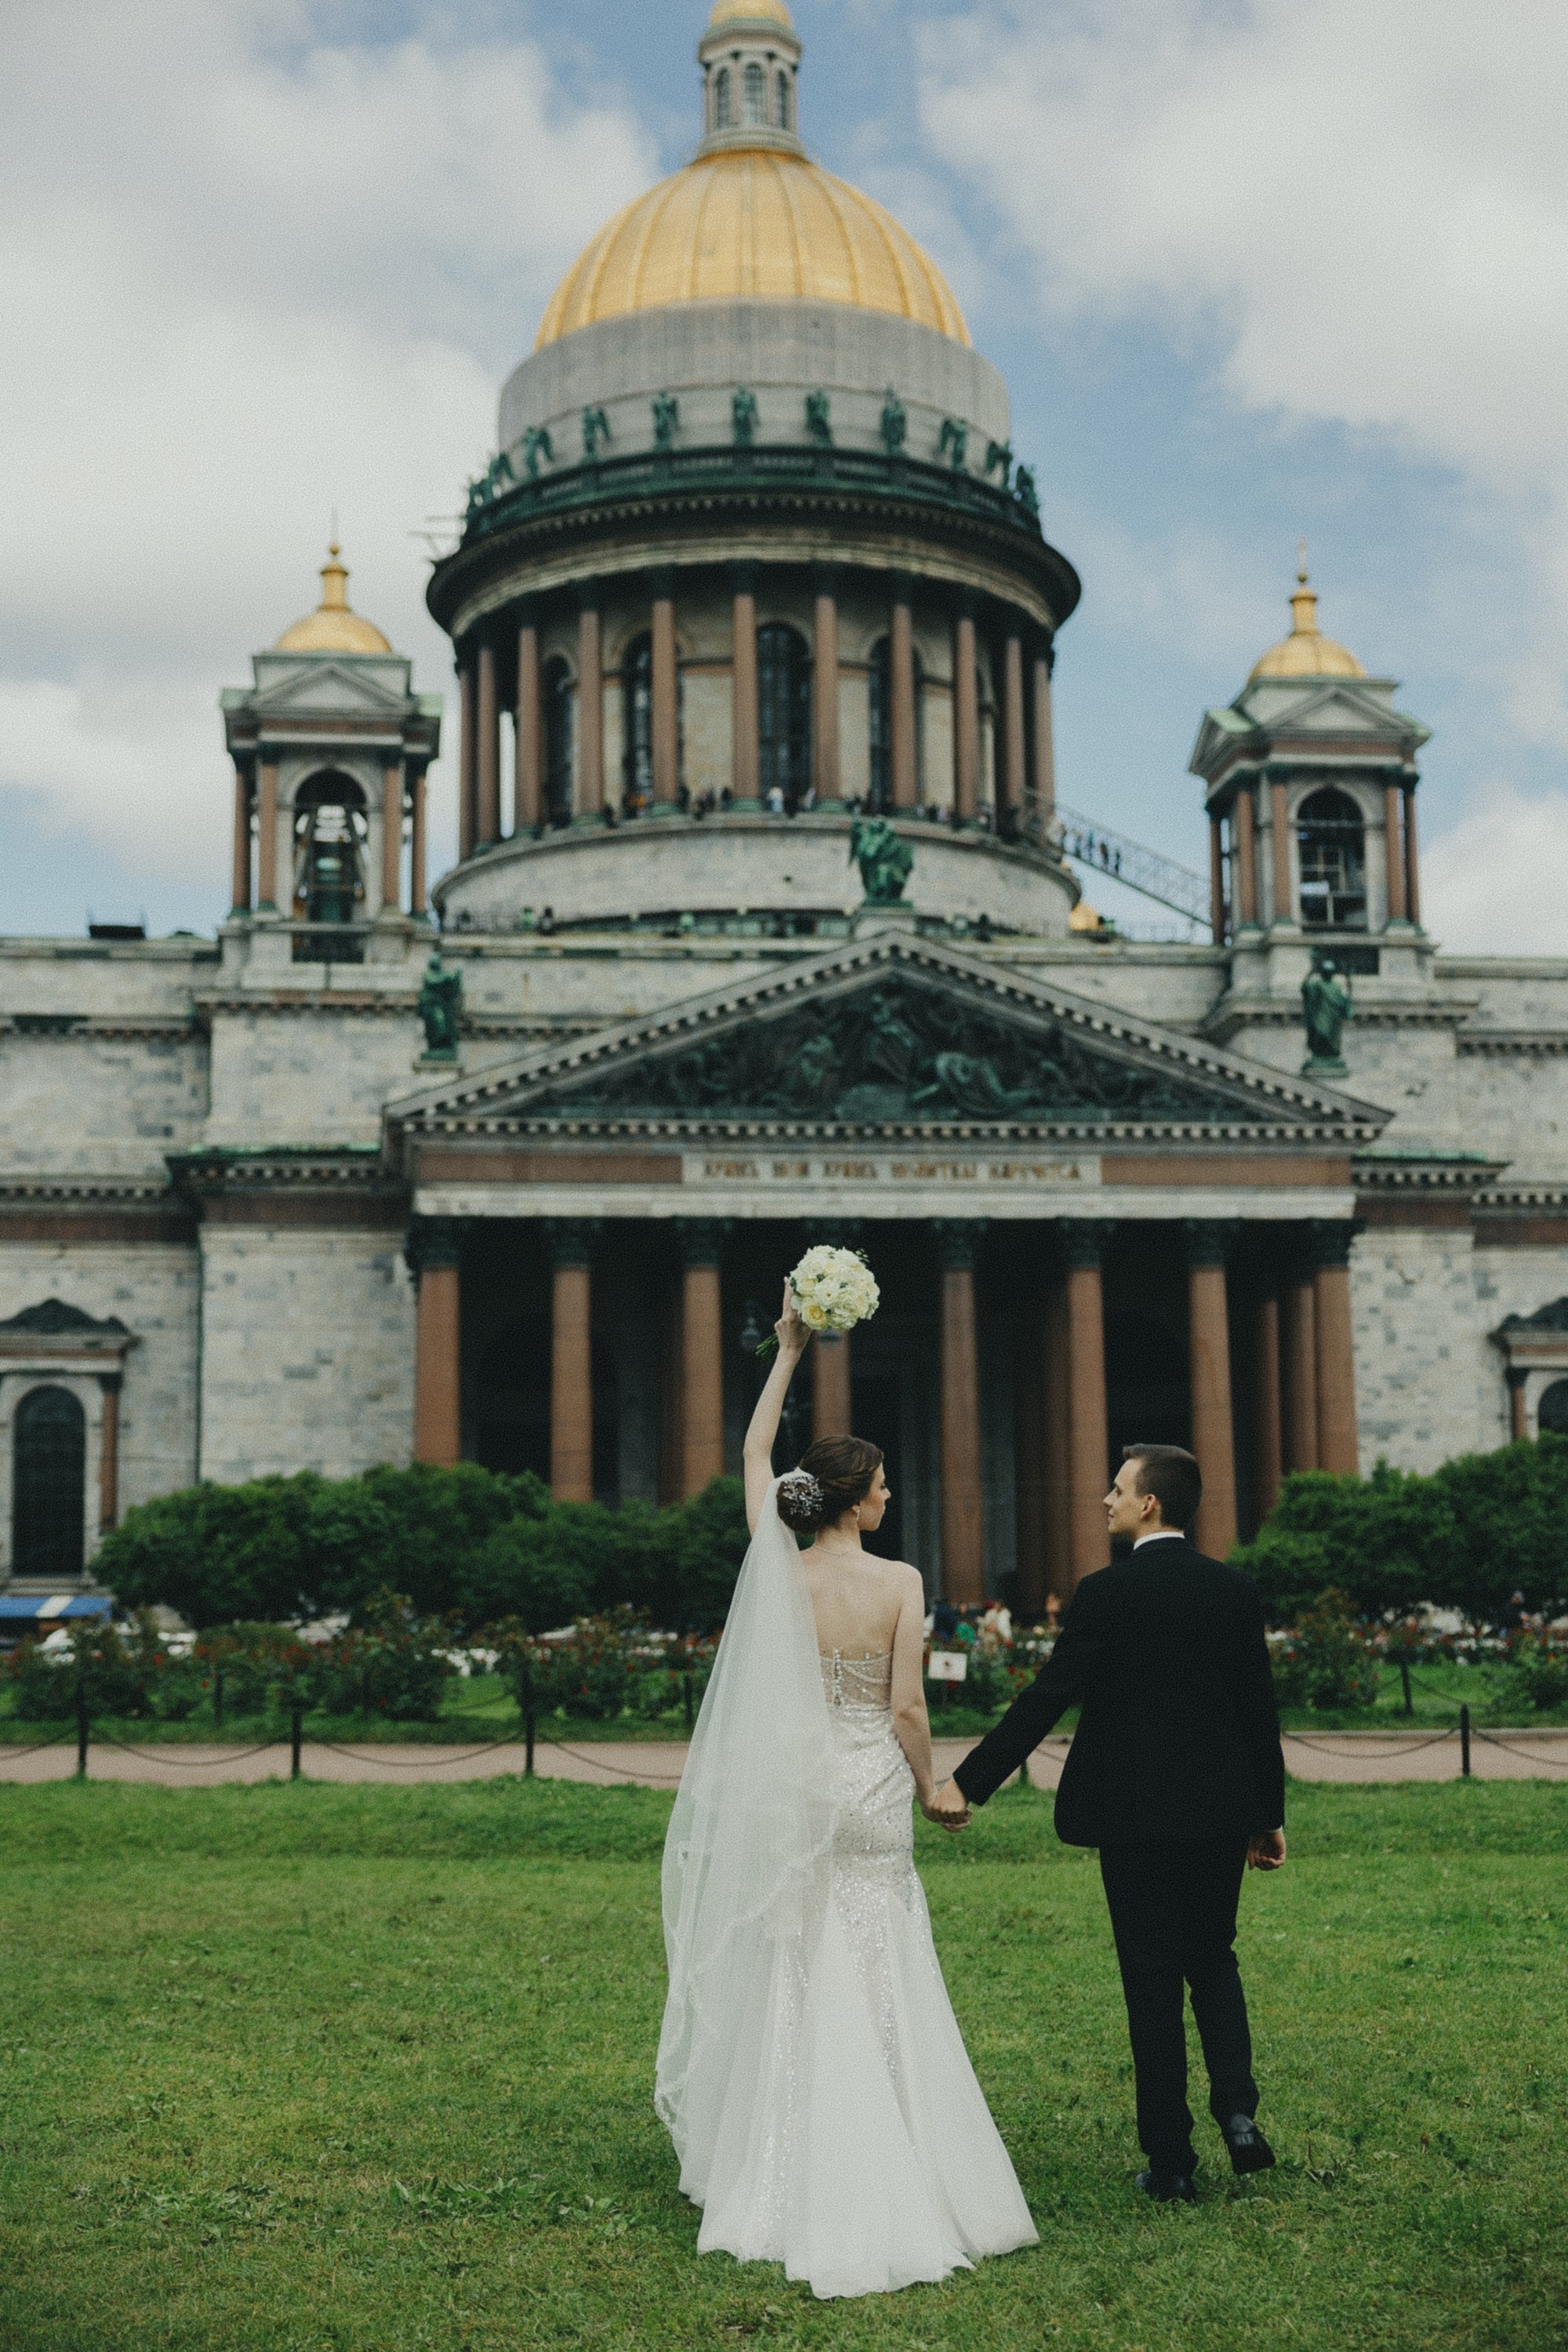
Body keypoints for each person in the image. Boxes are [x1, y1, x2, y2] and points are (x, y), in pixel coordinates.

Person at [655, 1281, 1036, 2299]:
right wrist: (932, 1788)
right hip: (868, 1778)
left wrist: (786, 1351)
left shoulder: (776, 1566)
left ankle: (776, 2158)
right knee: (880, 1957)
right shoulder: (901, 1582)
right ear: (855, 1497)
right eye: (879, 1485)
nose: (889, 1495)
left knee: (796, 1952)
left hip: (796, 1779)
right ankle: (898, 2144)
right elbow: (908, 1707)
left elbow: (748, 1459)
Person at [931, 1443, 1286, 2205]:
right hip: (1220, 1813)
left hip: (1130, 1820)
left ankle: (1170, 2163)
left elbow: (1047, 1695)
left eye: (1116, 1489)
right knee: (1213, 1958)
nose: (1103, 1500)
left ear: (1148, 1504)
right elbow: (1258, 1712)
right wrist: (1267, 1815)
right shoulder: (1232, 1590)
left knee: (1150, 1982)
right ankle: (1239, 2114)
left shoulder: (1104, 1592)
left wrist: (968, 1780)